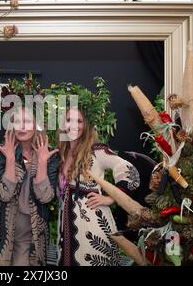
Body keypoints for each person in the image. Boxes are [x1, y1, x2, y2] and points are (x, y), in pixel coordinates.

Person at [58, 107, 140, 266]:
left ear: (86, 125)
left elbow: (130, 170)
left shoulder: (97, 151)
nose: (74, 125)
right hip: (66, 229)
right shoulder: (61, 152)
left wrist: (111, 198)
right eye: (69, 120)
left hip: (93, 226)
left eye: (79, 121)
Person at [0, 107, 59, 266]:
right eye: (17, 122)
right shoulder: (2, 153)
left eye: (27, 121)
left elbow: (45, 197)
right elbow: (4, 194)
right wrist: (10, 159)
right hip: (0, 234)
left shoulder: (49, 155)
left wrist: (42, 163)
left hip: (31, 237)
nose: (22, 126)